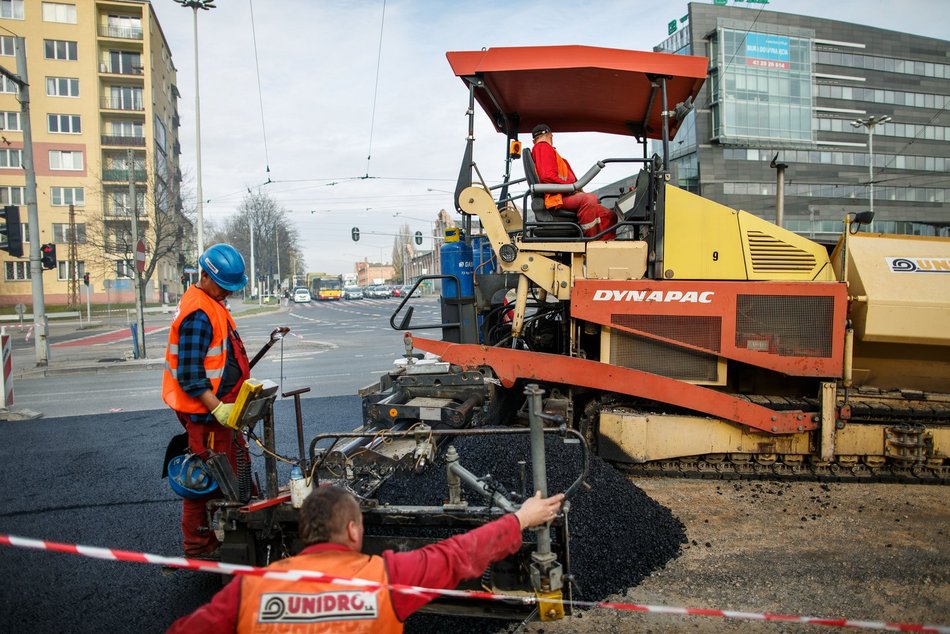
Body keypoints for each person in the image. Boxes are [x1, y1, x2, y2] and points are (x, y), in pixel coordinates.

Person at [168, 485, 566, 632]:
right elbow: (459, 554)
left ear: (304, 531)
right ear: (355, 531)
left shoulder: (249, 590)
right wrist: (521, 519)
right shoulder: (386, 579)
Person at [162, 243, 251, 559]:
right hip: (206, 413)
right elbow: (189, 375)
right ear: (205, 275)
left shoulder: (211, 302)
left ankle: (240, 530)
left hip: (220, 409)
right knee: (204, 478)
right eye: (223, 286)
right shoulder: (198, 312)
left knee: (236, 467)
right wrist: (217, 407)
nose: (227, 293)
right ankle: (199, 549)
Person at [530, 123, 617, 240]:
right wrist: (572, 187)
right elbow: (547, 176)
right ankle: (591, 240)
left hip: (565, 194)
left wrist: (576, 188)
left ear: (533, 140)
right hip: (557, 198)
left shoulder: (549, 152)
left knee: (609, 215)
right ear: (550, 135)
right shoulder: (543, 147)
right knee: (588, 199)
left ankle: (607, 245)